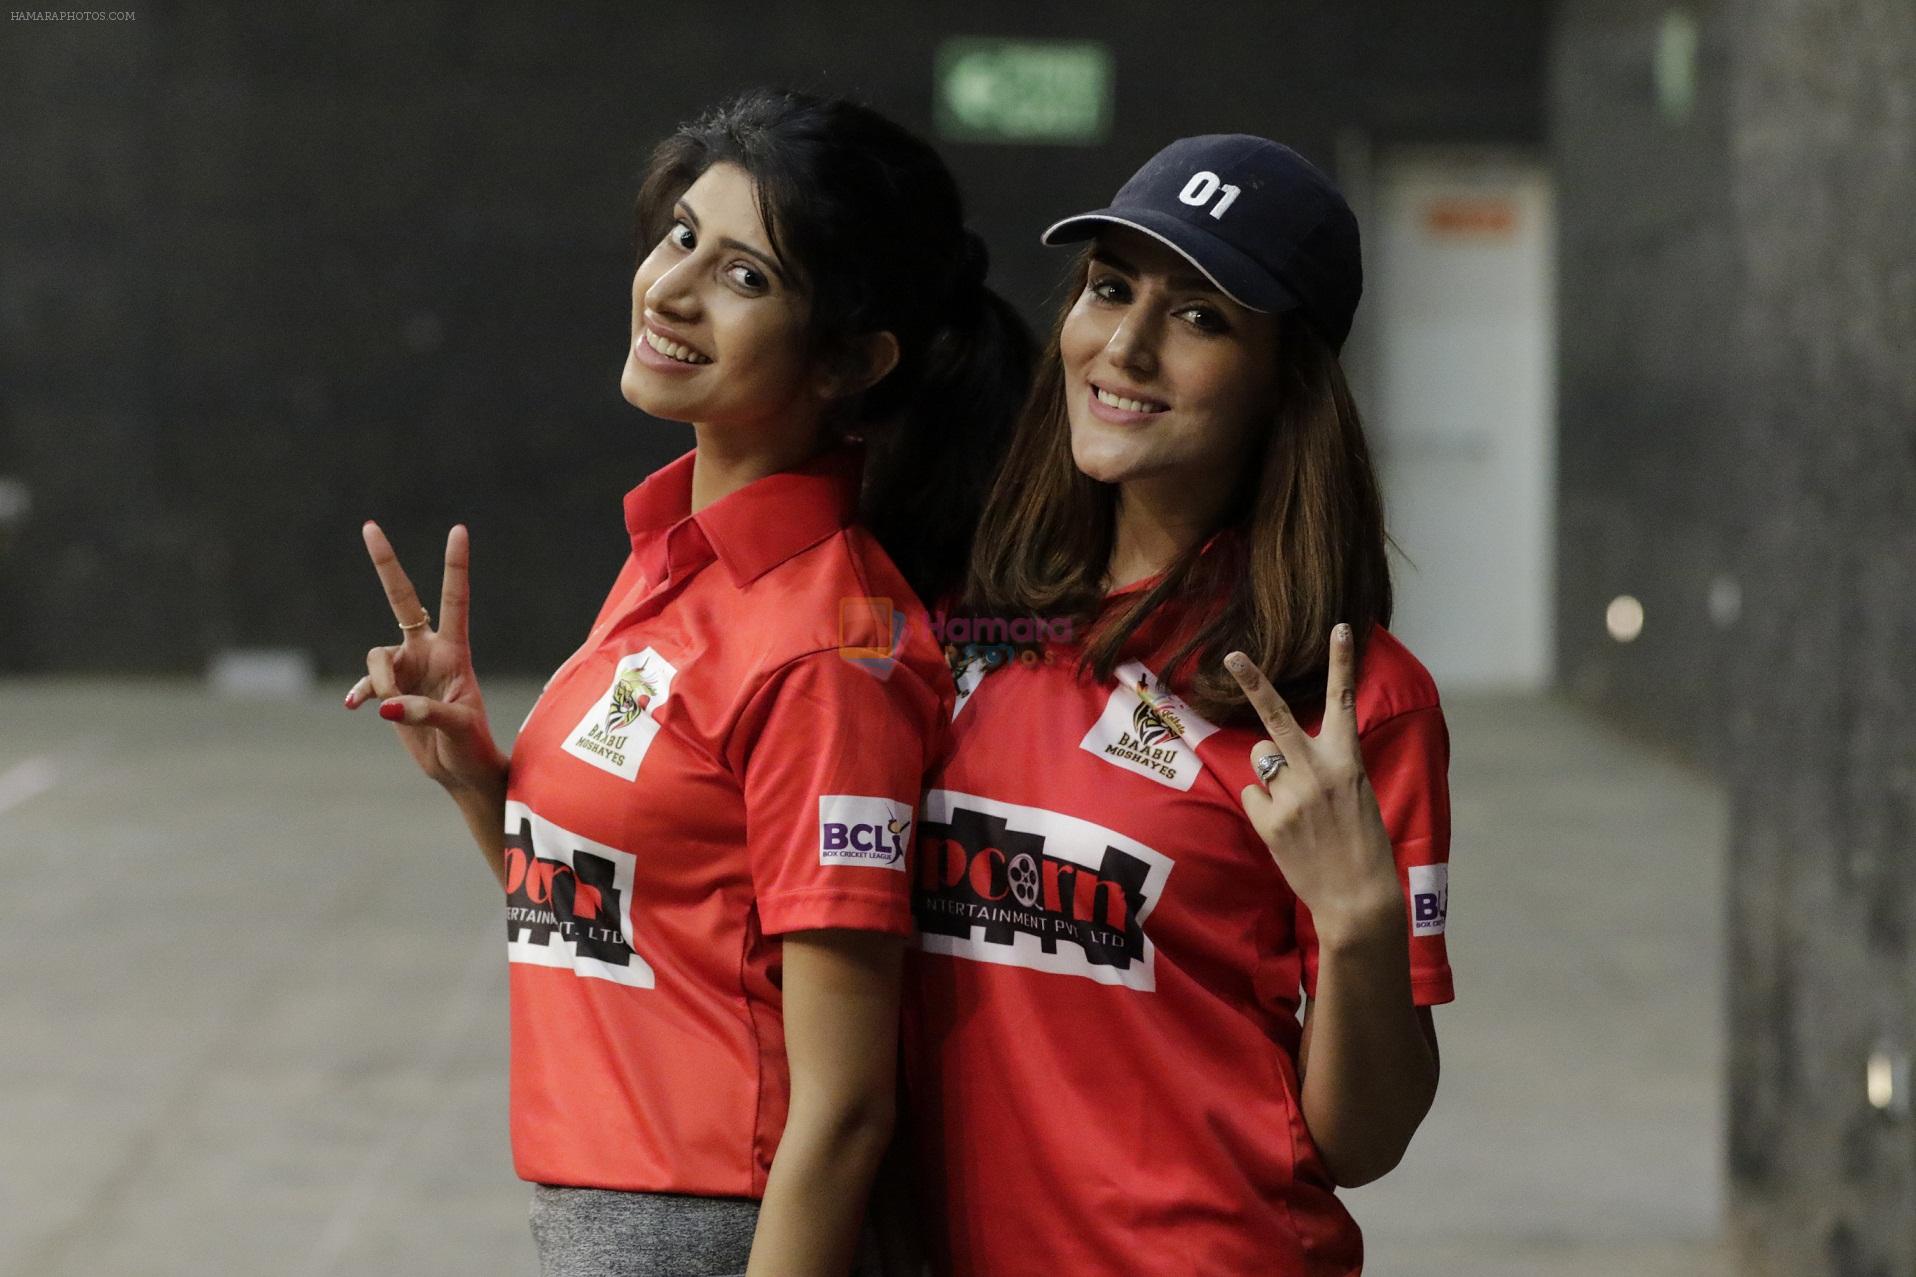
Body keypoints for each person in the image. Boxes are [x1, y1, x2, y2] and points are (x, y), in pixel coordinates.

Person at [342, 88, 1031, 1277]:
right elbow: (644, 925)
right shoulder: (675, 557)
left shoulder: (830, 650)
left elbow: (847, 1104)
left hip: (712, 1229)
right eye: (680, 237)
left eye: (747, 276)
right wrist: (479, 780)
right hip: (608, 1210)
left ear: (850, 360)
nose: (670, 288)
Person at [901, 135, 1453, 1275]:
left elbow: (1362, 1140)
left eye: (1199, 317)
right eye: (1108, 289)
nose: (1124, 346)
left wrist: (1355, 923)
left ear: (1281, 380)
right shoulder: (963, 620)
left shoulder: (1345, 701)